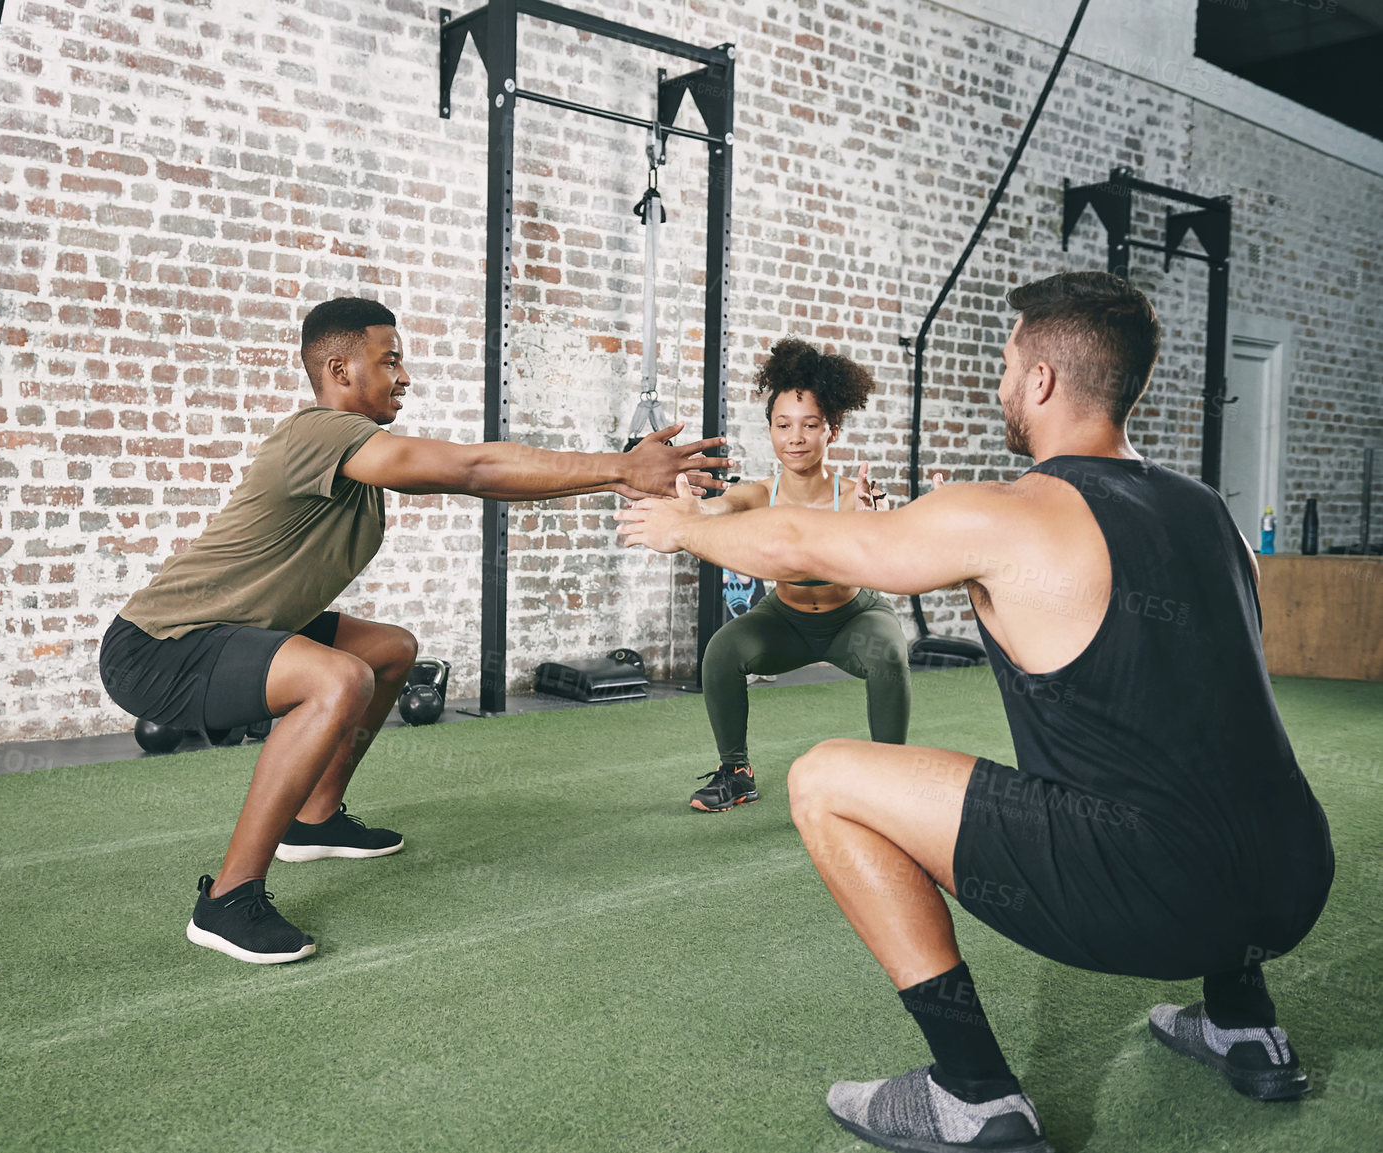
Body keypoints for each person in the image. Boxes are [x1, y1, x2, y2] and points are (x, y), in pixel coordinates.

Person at [617, 271, 1333, 1152]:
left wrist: (681, 527)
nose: (1001, 385)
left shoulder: (1011, 511)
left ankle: (974, 1092)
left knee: (827, 779)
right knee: (1192, 766)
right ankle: (1242, 1020)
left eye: (1005, 366)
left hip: (1153, 896)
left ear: (1039, 382)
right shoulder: (1210, 514)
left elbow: (808, 540)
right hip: (1296, 877)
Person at [99, 297, 730, 965]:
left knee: (389, 651)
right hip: (160, 644)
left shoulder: (357, 456)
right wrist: (619, 464)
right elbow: (472, 467)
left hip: (235, 628)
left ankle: (315, 818)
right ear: (339, 369)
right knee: (339, 678)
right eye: (389, 360)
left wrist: (614, 478)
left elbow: (485, 485)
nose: (405, 377)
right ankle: (227, 899)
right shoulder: (317, 433)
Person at [688, 340, 911, 812]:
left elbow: (887, 525)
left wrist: (877, 512)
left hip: (853, 619)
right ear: (770, 431)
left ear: (830, 430)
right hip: (784, 622)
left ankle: (891, 778)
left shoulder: (853, 493)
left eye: (810, 425)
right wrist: (688, 506)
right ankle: (736, 773)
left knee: (889, 654)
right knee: (722, 651)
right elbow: (715, 509)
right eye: (783, 425)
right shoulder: (757, 494)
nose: (796, 437)